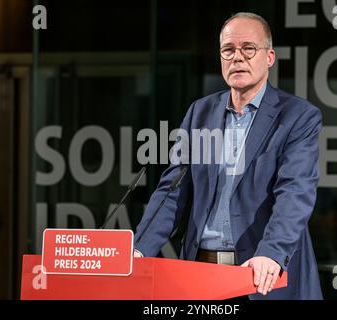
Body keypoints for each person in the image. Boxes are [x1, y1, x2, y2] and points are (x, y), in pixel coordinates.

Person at [134, 12, 323, 300]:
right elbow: (172, 190)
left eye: (249, 48)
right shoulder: (200, 113)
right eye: (228, 50)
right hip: (201, 274)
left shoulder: (297, 116)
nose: (238, 57)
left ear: (269, 57)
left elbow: (295, 192)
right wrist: (139, 249)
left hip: (261, 275)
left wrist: (270, 254)